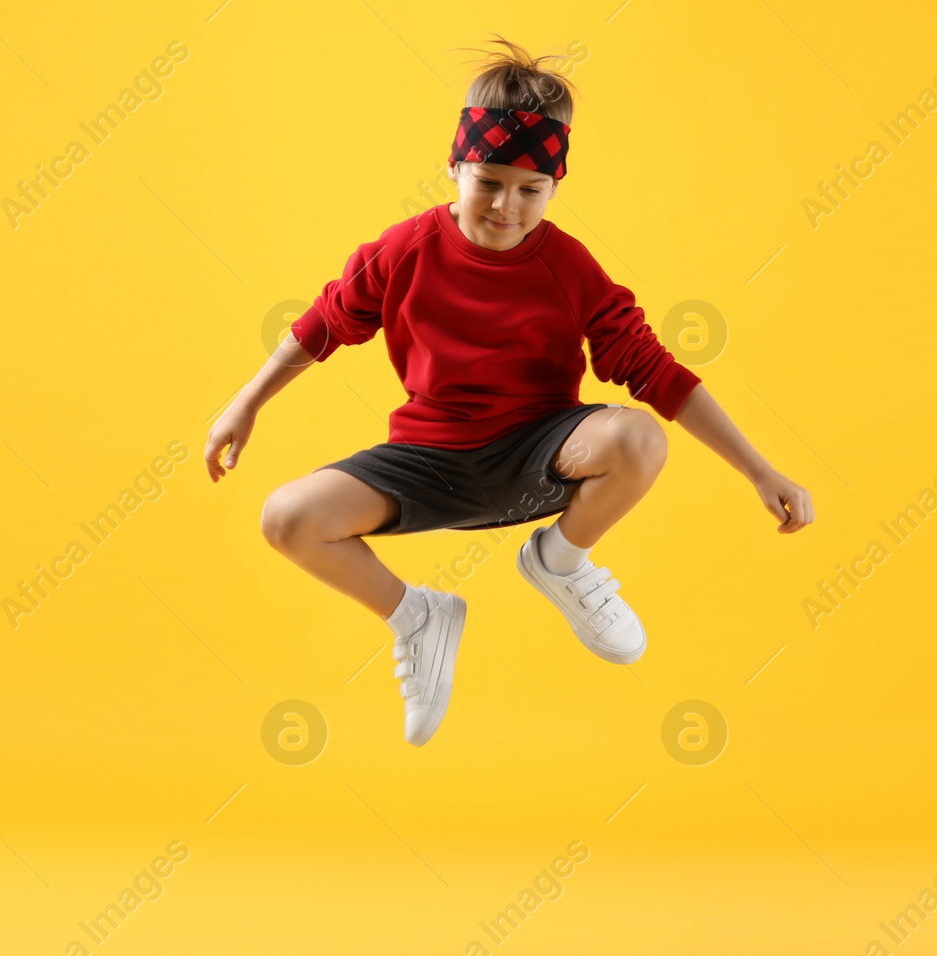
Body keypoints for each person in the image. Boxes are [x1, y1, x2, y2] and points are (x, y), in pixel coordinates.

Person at [206, 37, 814, 748]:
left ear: (555, 187)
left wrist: (759, 469)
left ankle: (559, 560)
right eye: (489, 181)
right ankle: (418, 618)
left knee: (640, 435)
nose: (506, 205)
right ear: (456, 167)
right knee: (286, 518)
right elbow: (323, 323)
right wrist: (245, 403)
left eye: (532, 190)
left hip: (540, 454)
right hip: (428, 460)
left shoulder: (567, 265)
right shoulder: (404, 250)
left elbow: (657, 372)